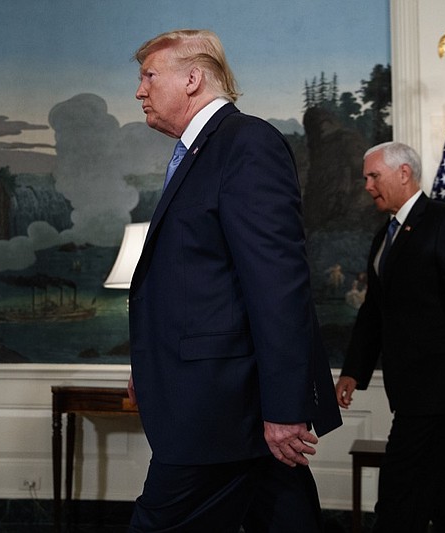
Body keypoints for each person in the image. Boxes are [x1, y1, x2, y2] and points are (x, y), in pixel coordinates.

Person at [126, 29, 342, 532]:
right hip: (219, 401)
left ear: (193, 79)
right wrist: (151, 363)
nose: (140, 91)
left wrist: (286, 407)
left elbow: (278, 282)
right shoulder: (201, 151)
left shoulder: (246, 142)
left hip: (219, 409)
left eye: (149, 76)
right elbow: (200, 283)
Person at [335, 141, 445, 533]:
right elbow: (374, 312)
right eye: (365, 178)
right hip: (410, 390)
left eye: (373, 176)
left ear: (404, 173)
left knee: (399, 490)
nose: (367, 186)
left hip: (439, 391)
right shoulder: (385, 237)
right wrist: (353, 372)